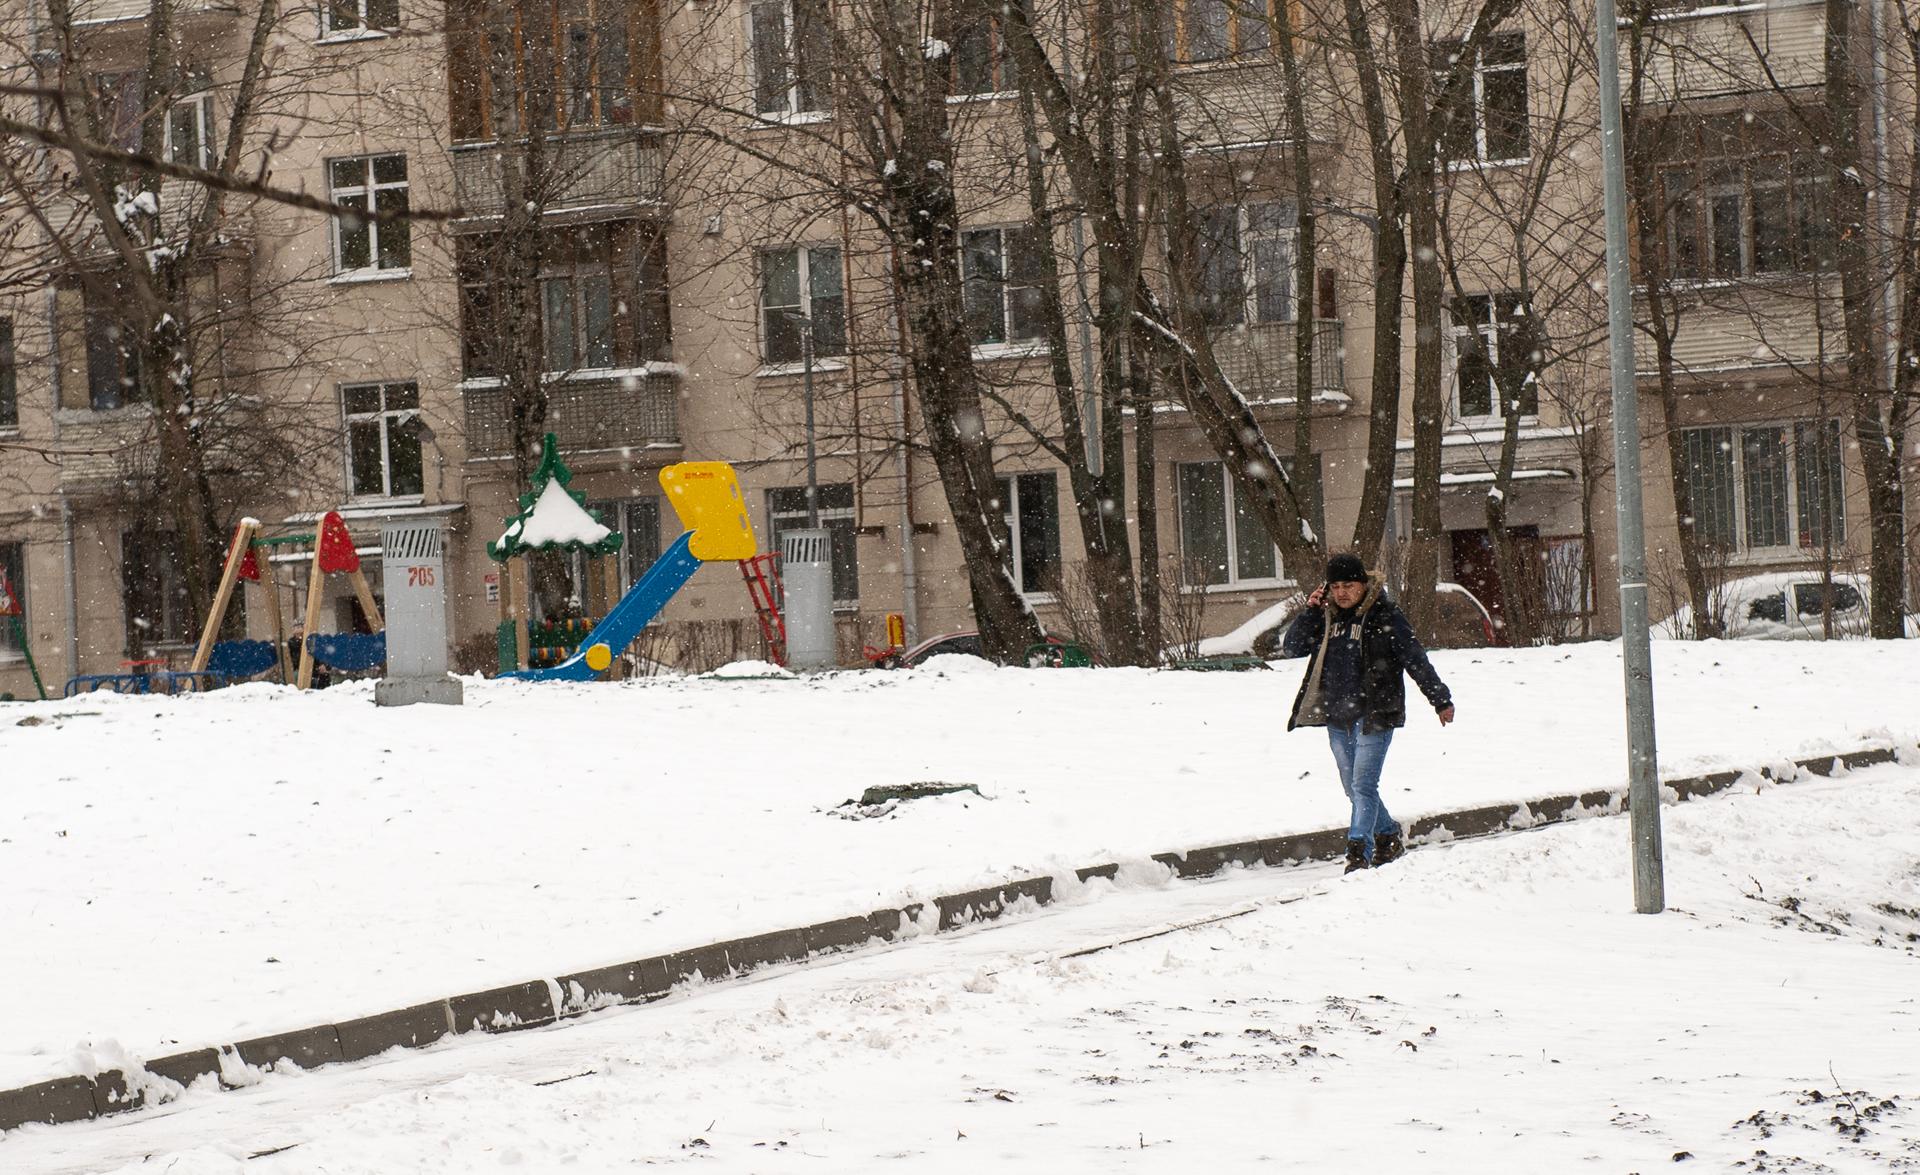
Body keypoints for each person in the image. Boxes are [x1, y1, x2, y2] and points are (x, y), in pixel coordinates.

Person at [1280, 553, 1455, 873]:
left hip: (1375, 714)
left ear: (1363, 584)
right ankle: (1388, 836)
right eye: (1335, 586)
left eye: (1349, 585)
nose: (1342, 592)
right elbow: (1292, 647)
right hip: (1336, 716)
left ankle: (1359, 851)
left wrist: (1440, 699)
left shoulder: (1384, 615)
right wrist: (1310, 611)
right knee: (1353, 787)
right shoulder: (1326, 616)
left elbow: (1415, 658)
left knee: (1363, 786)